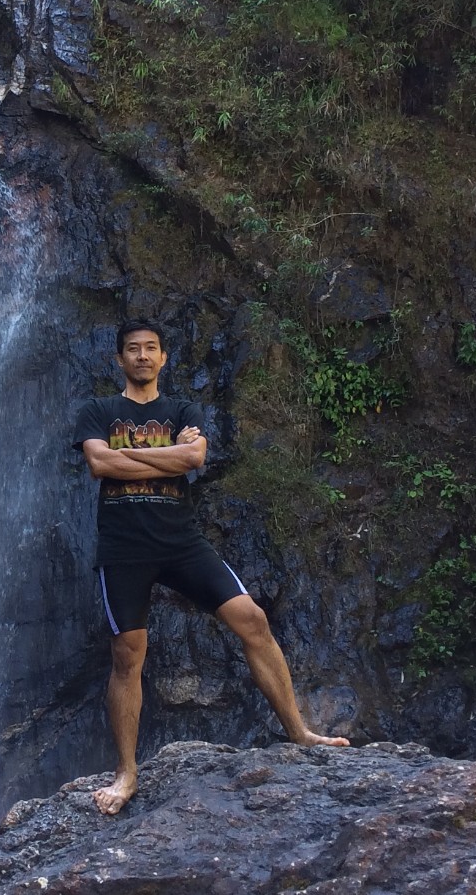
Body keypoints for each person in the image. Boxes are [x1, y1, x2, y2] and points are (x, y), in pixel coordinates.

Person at [72, 319, 349, 815]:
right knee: (128, 655)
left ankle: (299, 732)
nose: (142, 356)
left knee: (253, 620)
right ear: (119, 359)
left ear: (163, 357)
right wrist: (169, 455)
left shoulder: (183, 410)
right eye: (133, 349)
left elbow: (195, 458)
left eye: (151, 348)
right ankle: (127, 772)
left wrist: (130, 454)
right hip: (124, 550)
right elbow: (99, 464)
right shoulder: (98, 410)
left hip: (182, 543)